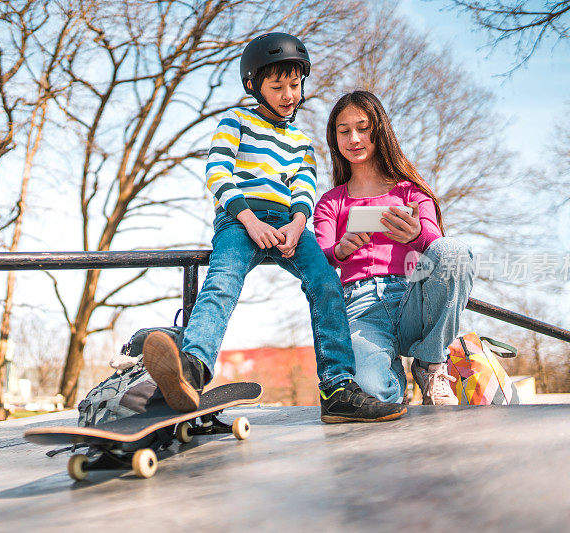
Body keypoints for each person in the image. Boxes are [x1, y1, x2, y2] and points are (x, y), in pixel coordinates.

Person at [142, 34, 407, 423]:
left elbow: (304, 189)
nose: (288, 95)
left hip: (289, 224)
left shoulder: (301, 142)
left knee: (326, 283)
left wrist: (299, 226)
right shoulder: (236, 121)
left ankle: (337, 385)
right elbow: (216, 170)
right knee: (223, 280)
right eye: (277, 86)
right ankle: (193, 366)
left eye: (295, 85)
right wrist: (248, 220)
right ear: (254, 86)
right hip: (239, 217)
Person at [313, 90, 475, 405]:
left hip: (414, 299)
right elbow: (318, 260)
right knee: (371, 394)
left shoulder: (411, 191)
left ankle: (431, 365)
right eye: (344, 131)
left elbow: (437, 246)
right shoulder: (331, 202)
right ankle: (393, 386)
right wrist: (341, 250)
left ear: (380, 131)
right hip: (361, 308)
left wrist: (415, 235)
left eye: (363, 128)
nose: (354, 138)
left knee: (453, 251)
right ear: (335, 140)